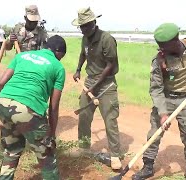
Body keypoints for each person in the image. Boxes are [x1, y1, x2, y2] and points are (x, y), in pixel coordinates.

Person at [132, 23, 186, 180]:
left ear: (175, 41)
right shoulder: (159, 60)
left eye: (164, 47)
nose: (161, 50)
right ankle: (147, 167)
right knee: (154, 133)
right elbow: (156, 89)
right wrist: (163, 113)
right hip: (166, 99)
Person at [0, 35, 67, 180]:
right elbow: (53, 107)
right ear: (58, 52)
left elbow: (1, 83)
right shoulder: (58, 67)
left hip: (3, 101)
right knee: (46, 155)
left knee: (11, 150)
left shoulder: (22, 55)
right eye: (61, 56)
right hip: (28, 107)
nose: (60, 59)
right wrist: (51, 135)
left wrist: (6, 112)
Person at [70, 7, 122, 170]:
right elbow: (83, 54)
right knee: (84, 117)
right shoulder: (85, 38)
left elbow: (110, 64)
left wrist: (95, 86)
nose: (84, 29)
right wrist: (78, 69)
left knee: (110, 120)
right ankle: (84, 148)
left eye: (86, 25)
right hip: (89, 82)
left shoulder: (107, 39)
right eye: (81, 26)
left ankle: (115, 155)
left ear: (94, 22)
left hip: (106, 84)